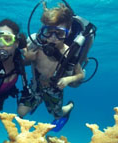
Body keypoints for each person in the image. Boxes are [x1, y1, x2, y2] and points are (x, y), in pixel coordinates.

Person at [18, 2, 95, 132]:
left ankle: (69, 107)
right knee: (21, 112)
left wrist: (67, 80)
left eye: (59, 33)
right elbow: (23, 62)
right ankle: (37, 101)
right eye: (48, 32)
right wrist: (27, 55)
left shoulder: (69, 53)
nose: (53, 38)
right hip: (36, 86)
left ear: (68, 32)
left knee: (57, 115)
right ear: (43, 30)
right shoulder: (37, 46)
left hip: (54, 90)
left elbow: (80, 75)